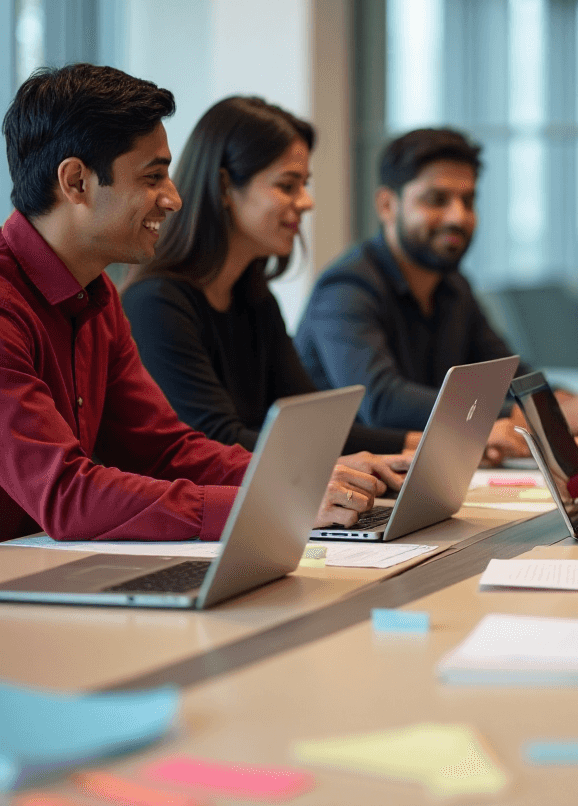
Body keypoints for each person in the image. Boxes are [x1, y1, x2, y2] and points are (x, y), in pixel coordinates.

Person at [0, 65, 385, 544]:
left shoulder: (99, 299)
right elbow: (67, 495)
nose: (174, 198)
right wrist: (266, 503)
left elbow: (167, 450)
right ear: (76, 181)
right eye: (153, 177)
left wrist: (289, 485)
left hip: (47, 568)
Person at [121, 96, 411, 493]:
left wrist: (411, 445)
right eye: (287, 186)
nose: (306, 202)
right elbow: (214, 440)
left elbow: (311, 421)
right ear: (225, 186)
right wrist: (338, 463)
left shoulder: (255, 299)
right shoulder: (156, 303)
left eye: (304, 185)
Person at [295, 127, 578, 457]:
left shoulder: (453, 285)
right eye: (437, 200)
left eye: (468, 200)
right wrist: (531, 417)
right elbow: (381, 400)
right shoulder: (345, 288)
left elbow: (506, 371)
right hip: (348, 487)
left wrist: (562, 401)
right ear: (387, 205)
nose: (458, 216)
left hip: (433, 471)